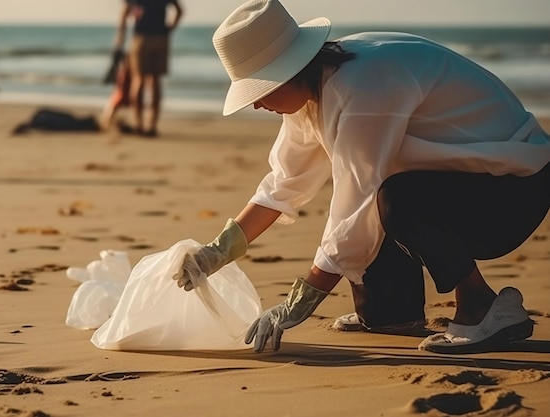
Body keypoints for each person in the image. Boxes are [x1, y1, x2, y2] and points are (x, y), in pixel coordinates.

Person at [172, 0, 550, 354]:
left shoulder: (363, 86)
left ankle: (485, 307)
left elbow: (359, 200)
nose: (255, 102)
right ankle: (397, 312)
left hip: (514, 189)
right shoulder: (315, 87)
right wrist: (214, 253)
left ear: (289, 70)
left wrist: (298, 303)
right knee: (382, 307)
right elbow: (284, 182)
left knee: (392, 200)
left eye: (260, 88)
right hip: (458, 183)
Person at [115, 0, 183, 137]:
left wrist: (120, 41)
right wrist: (169, 28)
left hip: (141, 37)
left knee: (138, 79)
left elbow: (125, 13)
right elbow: (179, 11)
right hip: (161, 37)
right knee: (155, 80)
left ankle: (139, 124)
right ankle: (152, 126)